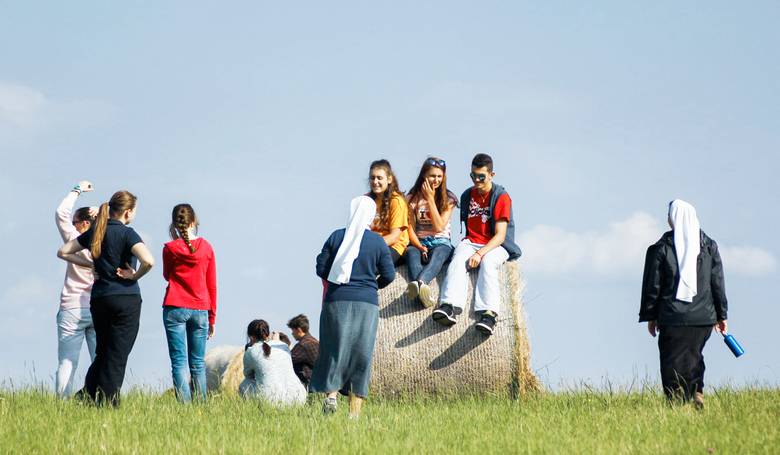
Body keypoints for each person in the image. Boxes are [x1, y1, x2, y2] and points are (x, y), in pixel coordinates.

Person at [57, 190, 155, 407]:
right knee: (117, 354)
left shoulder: (96, 232)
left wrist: (90, 264)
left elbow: (63, 252)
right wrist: (135, 275)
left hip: (99, 298)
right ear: (128, 212)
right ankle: (108, 402)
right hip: (125, 299)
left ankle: (86, 397)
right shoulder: (128, 233)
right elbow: (148, 261)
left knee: (104, 352)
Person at [310, 196, 395, 418]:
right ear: (371, 216)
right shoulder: (377, 242)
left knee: (333, 351)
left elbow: (320, 268)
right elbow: (389, 274)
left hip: (336, 302)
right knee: (361, 354)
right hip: (365, 304)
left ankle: (331, 397)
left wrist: (339, 275)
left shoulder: (336, 236)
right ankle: (354, 414)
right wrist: (372, 284)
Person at [639, 199, 729, 408]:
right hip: (704, 316)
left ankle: (676, 401)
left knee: (671, 360)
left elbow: (653, 285)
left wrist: (650, 316)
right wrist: (721, 315)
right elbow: (718, 282)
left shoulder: (661, 248)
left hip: (672, 316)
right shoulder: (709, 246)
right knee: (694, 356)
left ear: (674, 218)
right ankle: (697, 392)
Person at [432, 153, 522, 335]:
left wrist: (480, 254)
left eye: (482, 176)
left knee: (488, 264)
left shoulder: (501, 197)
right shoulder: (467, 195)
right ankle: (449, 306)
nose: (477, 180)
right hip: (472, 241)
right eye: (473, 176)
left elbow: (501, 235)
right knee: (457, 259)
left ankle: (488, 315)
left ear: (491, 175)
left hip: (497, 245)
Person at [162, 203, 217, 403]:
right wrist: (212, 318)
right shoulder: (207, 248)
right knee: (198, 363)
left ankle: (184, 405)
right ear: (194, 222)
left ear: (174, 224)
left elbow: (167, 275)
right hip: (201, 307)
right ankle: (200, 406)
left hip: (175, 306)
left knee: (178, 362)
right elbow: (212, 285)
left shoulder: (169, 249)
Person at [54, 181, 98, 398]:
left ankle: (61, 406)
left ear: (82, 224)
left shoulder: (75, 240)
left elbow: (61, 213)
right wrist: (102, 213)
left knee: (67, 362)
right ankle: (100, 400)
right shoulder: (103, 243)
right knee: (101, 360)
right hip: (98, 307)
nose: (72, 224)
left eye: (75, 222)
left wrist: (77, 190)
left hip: (72, 306)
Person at [405, 157, 458, 308]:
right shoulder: (411, 198)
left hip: (441, 241)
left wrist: (429, 199)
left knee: (438, 256)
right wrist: (418, 246)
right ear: (424, 176)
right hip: (419, 242)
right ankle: (421, 293)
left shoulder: (449, 199)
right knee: (411, 253)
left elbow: (439, 226)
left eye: (439, 176)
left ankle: (420, 283)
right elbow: (410, 227)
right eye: (432, 176)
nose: (436, 180)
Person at [239, 319, 307, 407]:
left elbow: (248, 375)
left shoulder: (251, 351)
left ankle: (254, 412)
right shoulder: (284, 346)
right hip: (298, 398)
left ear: (251, 337)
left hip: (271, 401)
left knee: (244, 384)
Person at [367, 159, 410, 265]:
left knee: (369, 267)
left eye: (379, 178)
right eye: (372, 178)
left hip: (392, 246)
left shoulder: (396, 201)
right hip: (372, 245)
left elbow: (394, 237)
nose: (375, 182)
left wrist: (369, 247)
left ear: (389, 179)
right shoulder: (367, 200)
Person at [287, 314, 320, 388]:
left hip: (309, 386)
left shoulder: (303, 345)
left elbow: (286, 361)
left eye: (293, 330)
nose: (292, 333)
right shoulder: (314, 341)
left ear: (299, 330)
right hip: (319, 383)